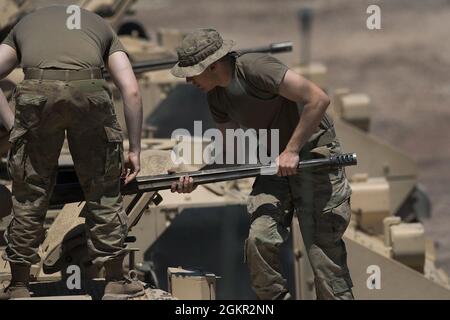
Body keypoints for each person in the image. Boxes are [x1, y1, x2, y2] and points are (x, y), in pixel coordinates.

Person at [170, 29, 354, 300]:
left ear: (213, 65)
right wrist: (196, 178)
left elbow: (318, 99)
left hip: (314, 159)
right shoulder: (216, 97)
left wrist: (291, 151)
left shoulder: (256, 68)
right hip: (275, 165)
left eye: (192, 72)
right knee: (260, 238)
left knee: (323, 258)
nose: (188, 80)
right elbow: (232, 154)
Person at [0, 5, 144, 300]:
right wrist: (135, 149)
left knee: (30, 192)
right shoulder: (100, 25)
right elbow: (131, 91)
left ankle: (18, 286)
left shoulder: (24, 24)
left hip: (36, 93)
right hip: (89, 92)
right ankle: (115, 281)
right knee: (103, 190)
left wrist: (13, 125)